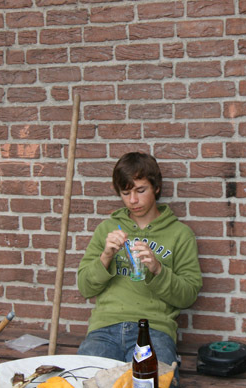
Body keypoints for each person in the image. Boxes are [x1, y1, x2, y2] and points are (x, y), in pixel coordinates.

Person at [77, 152, 202, 385]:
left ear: (156, 187)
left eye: (140, 190)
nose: (133, 200)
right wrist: (106, 257)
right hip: (105, 328)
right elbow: (85, 287)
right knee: (83, 380)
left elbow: (188, 296)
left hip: (154, 330)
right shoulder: (107, 230)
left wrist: (157, 269)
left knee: (155, 383)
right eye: (126, 193)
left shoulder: (180, 234)